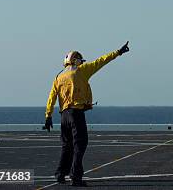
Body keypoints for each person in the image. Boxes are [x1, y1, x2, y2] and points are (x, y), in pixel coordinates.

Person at [43, 42, 130, 187]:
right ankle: (76, 177)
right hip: (76, 113)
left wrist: (48, 116)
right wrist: (118, 52)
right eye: (80, 60)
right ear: (76, 60)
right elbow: (101, 61)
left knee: (67, 146)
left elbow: (51, 97)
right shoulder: (82, 70)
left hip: (63, 115)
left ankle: (60, 174)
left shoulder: (59, 76)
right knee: (80, 144)